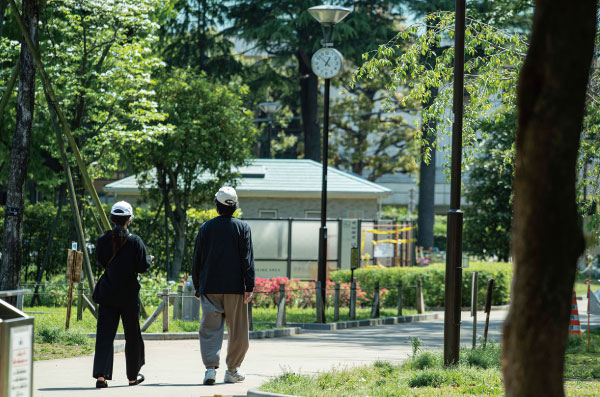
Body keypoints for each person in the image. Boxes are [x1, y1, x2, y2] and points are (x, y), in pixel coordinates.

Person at [192, 186, 255, 385]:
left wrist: (197, 285)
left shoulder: (206, 228)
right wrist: (249, 285)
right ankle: (232, 370)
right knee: (237, 330)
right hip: (235, 287)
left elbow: (197, 259)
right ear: (235, 206)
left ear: (217, 206)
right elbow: (247, 259)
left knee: (210, 328)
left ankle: (210, 370)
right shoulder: (242, 228)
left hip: (210, 286)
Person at [92, 201, 152, 388]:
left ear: (111, 219)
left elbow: (102, 261)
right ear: (129, 220)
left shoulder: (102, 240)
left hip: (108, 293)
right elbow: (142, 267)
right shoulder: (135, 241)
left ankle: (101, 376)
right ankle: (132, 377)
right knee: (132, 335)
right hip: (128, 295)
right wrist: (149, 260)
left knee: (104, 335)